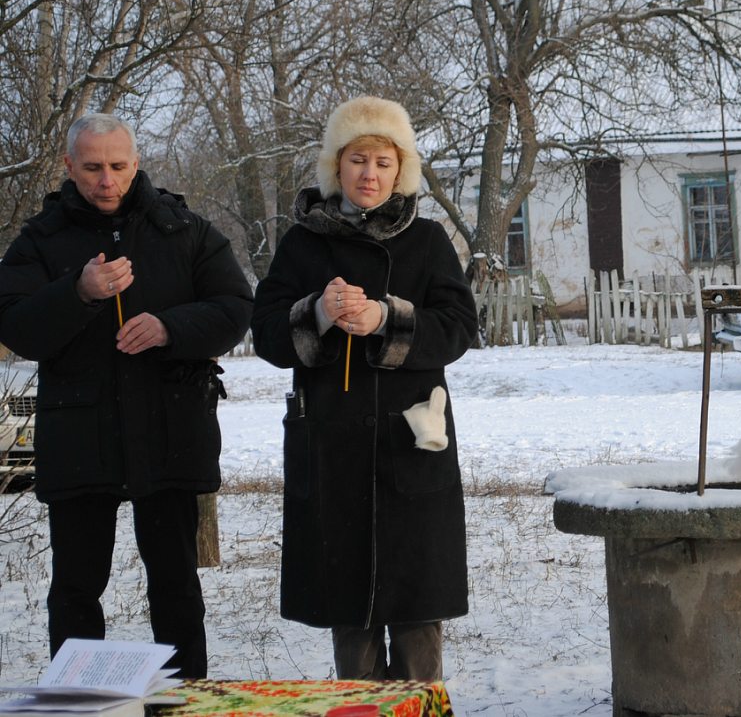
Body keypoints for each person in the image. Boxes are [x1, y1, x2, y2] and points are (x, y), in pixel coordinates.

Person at [0, 113, 253, 678]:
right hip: (79, 435)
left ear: (136, 163)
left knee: (175, 586)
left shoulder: (183, 229)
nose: (106, 181)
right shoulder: (41, 240)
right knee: (75, 588)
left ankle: (182, 700)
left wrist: (169, 329)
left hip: (169, 431)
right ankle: (81, 703)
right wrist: (78, 291)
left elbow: (235, 308)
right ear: (69, 167)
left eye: (117, 166)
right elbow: (14, 326)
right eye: (92, 168)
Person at [251, 96, 478, 681]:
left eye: (382, 161)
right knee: (348, 610)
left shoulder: (426, 241)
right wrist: (318, 314)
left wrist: (386, 321)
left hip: (411, 445)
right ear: (336, 166)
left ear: (399, 168)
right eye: (357, 160)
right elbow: (269, 334)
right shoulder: (303, 244)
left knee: (416, 609)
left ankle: (420, 704)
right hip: (332, 449)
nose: (369, 174)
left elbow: (457, 328)